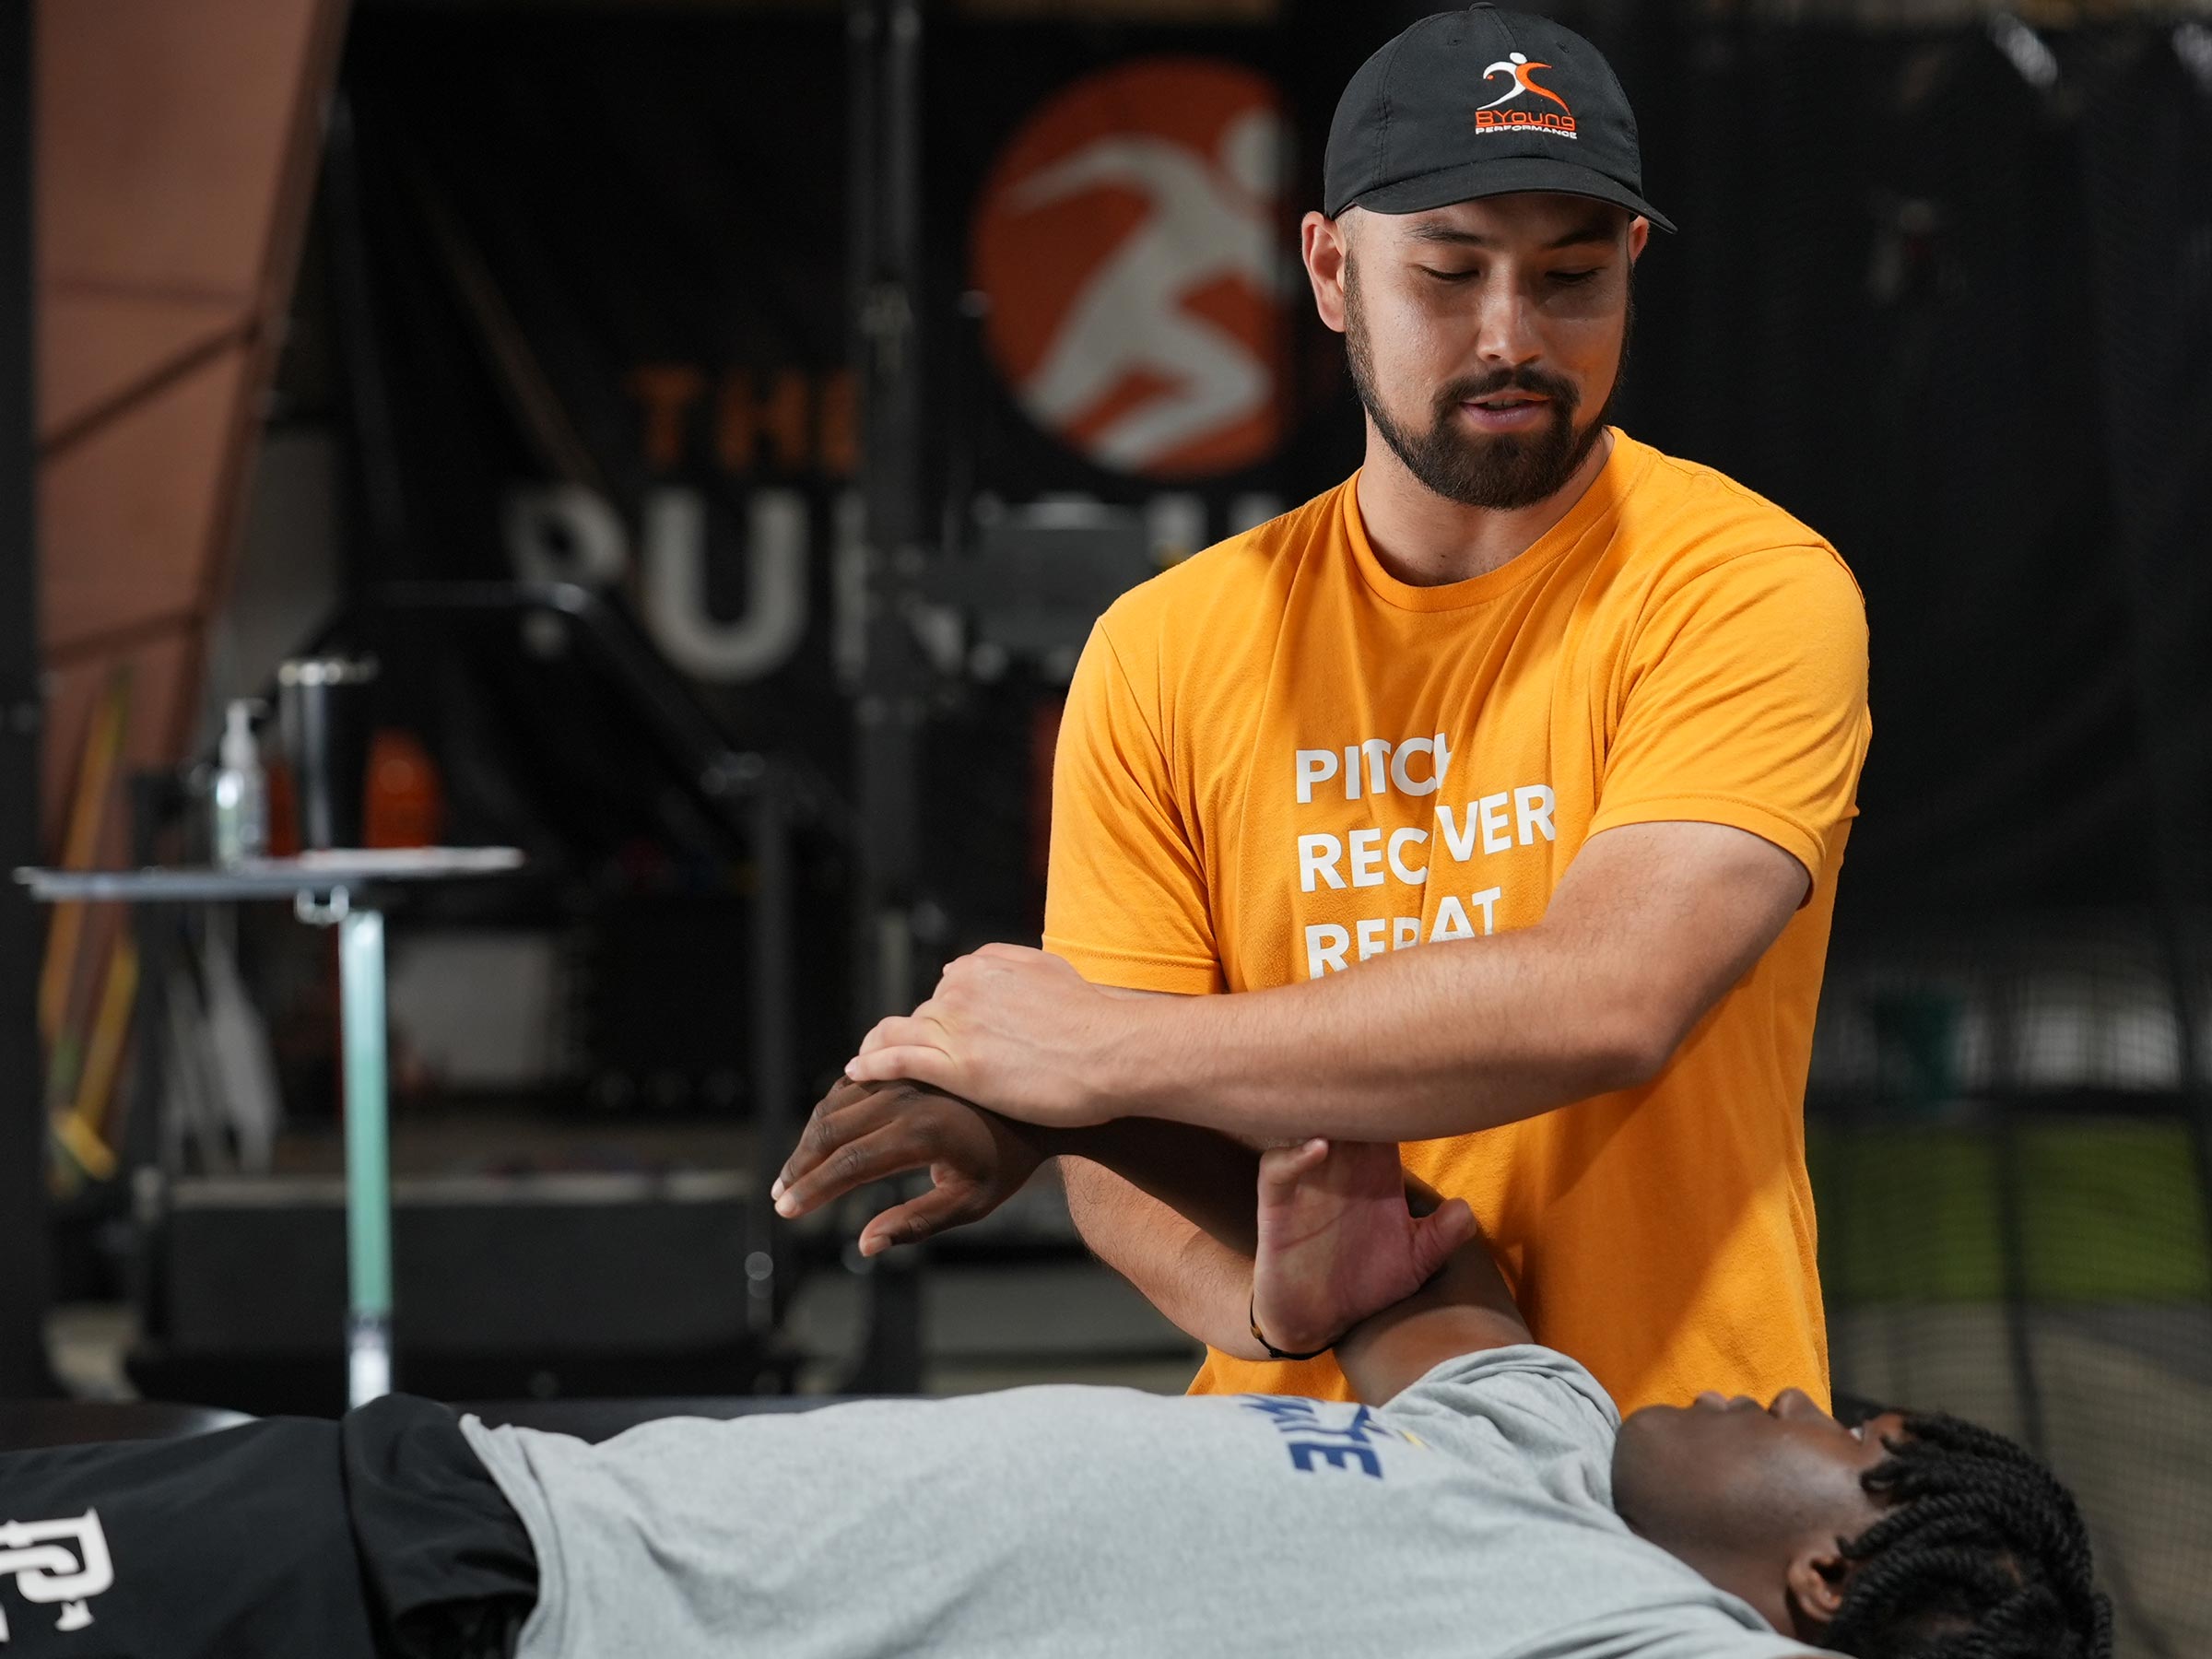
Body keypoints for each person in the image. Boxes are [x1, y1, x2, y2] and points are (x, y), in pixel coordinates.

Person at [806, 5, 1875, 1416]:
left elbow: (1612, 996)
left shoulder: (1743, 588)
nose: (1512, 337)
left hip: (1679, 1478)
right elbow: (1125, 1167)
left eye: (1568, 278)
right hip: (1311, 1490)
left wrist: (1089, 1051)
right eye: (1447, 272)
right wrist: (1263, 1302)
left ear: (1632, 267)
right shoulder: (1169, 647)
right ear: (1330, 270)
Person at [0, 1101, 2106, 1659]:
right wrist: (1066, 1115)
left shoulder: (1660, 1644)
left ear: (1842, 1592)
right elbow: (1383, 1278)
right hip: (489, 1510)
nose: (1781, 1400)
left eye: (1840, 1442)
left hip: (501, 1608)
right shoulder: (1537, 1439)